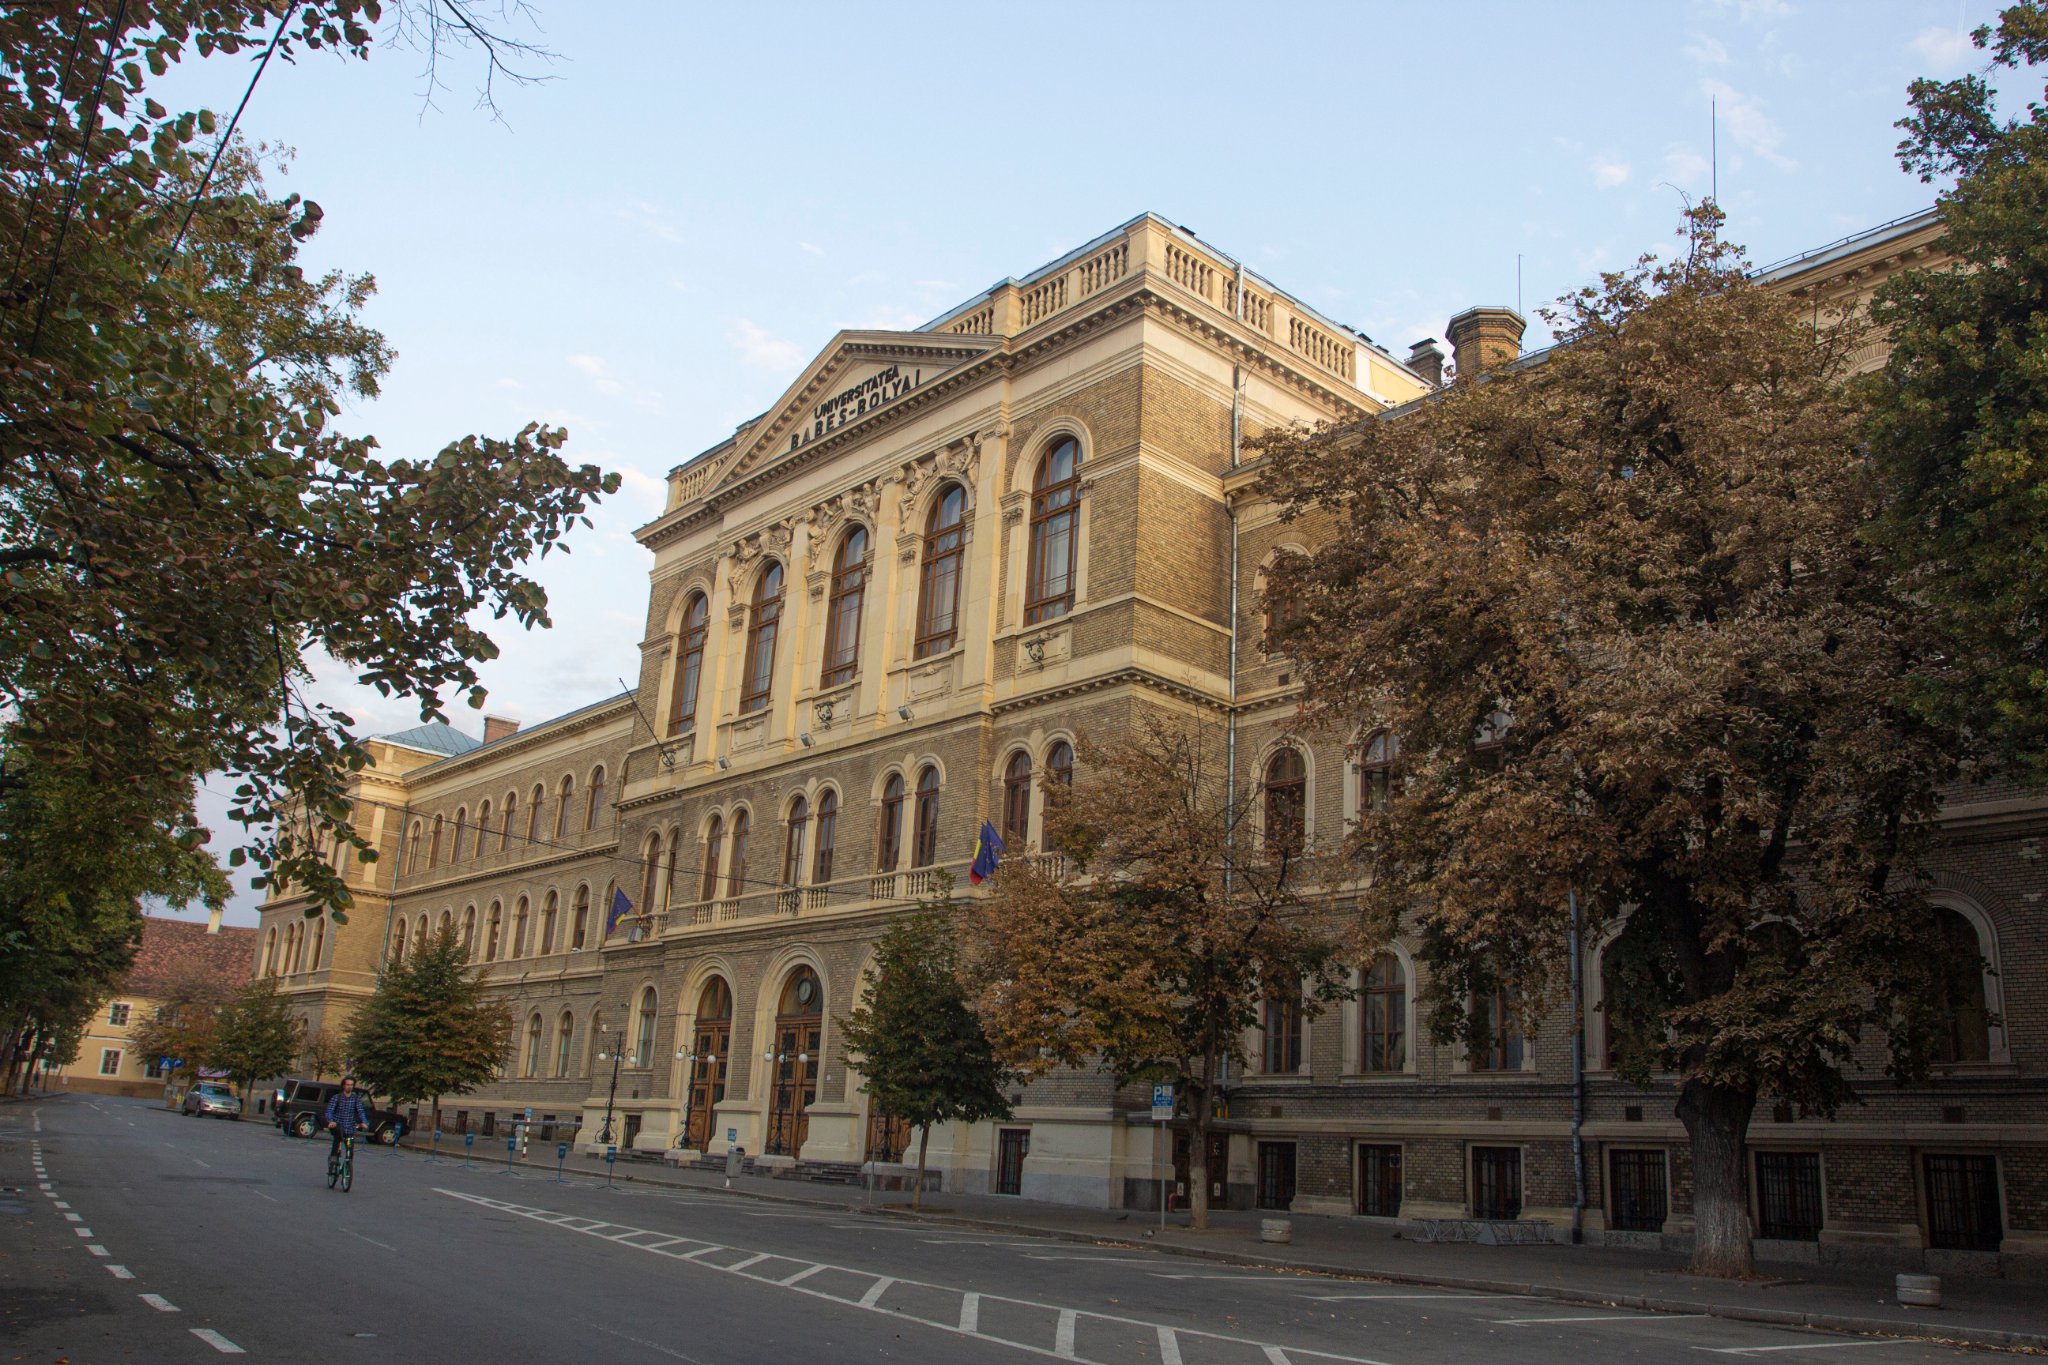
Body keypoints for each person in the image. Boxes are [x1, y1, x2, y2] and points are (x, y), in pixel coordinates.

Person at [323, 1076, 372, 1162]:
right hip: (338, 1126)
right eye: (348, 1084)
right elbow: (329, 1111)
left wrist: (364, 1122)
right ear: (343, 1086)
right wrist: (331, 1121)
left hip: (350, 1128)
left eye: (351, 1085)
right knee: (337, 1139)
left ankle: (348, 1164)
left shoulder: (356, 1099)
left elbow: (361, 1111)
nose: (350, 1086)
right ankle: (333, 1158)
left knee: (349, 1147)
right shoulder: (336, 1097)